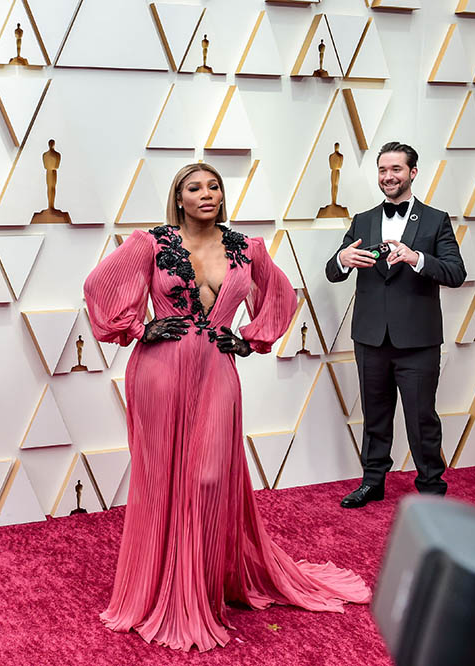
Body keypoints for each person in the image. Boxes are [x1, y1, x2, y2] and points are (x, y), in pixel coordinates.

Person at [85, 163, 370, 651]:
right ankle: (162, 592)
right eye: (194, 187)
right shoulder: (149, 243)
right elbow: (99, 286)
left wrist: (251, 338)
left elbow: (280, 295)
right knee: (161, 478)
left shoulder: (247, 247)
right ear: (178, 198)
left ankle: (202, 588)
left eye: (214, 186)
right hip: (158, 374)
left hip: (217, 371)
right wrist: (138, 328)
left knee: (211, 477)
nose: (206, 194)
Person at [326, 142, 465, 508]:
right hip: (370, 337)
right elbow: (332, 271)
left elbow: (455, 273)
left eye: (396, 170)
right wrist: (342, 258)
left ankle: (432, 489)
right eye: (383, 170)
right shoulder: (363, 219)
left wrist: (417, 257)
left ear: (413, 173)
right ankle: (373, 482)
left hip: (418, 341)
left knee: (422, 419)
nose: (388, 177)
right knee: (375, 416)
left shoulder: (436, 220)